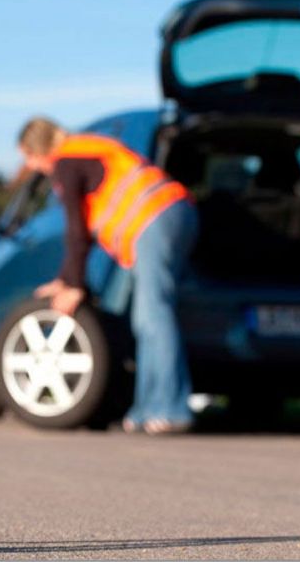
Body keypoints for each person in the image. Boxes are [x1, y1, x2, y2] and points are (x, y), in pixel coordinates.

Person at [17, 117, 199, 435]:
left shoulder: (66, 162)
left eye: (28, 158)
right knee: (145, 317)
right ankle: (145, 411)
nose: (31, 167)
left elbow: (76, 230)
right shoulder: (84, 150)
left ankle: (171, 409)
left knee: (153, 315)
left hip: (154, 217)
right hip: (172, 213)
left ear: (37, 150)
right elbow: (84, 233)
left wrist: (73, 285)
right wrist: (66, 280)